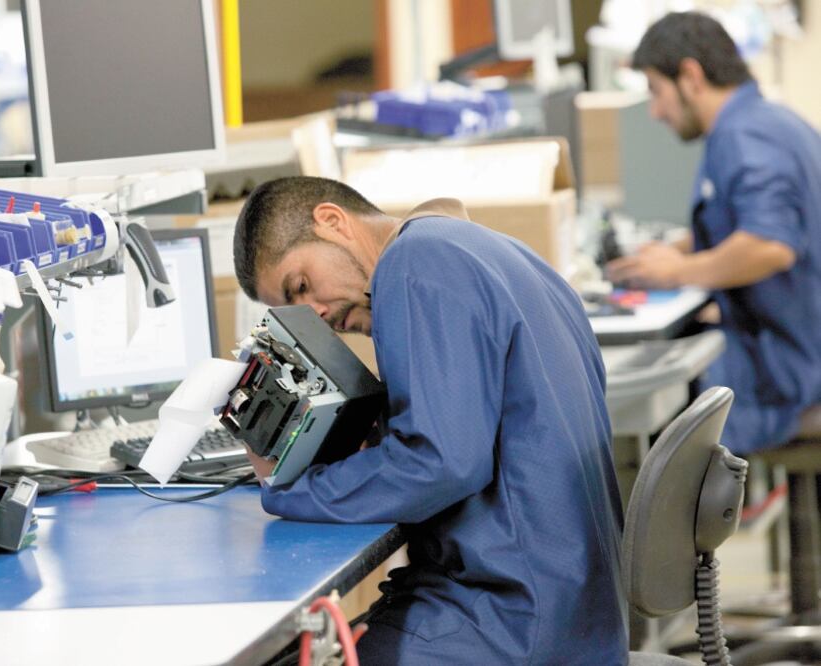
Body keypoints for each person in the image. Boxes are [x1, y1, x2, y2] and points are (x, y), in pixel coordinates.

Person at [232, 177, 627, 664]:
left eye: (301, 286)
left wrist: (288, 488)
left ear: (333, 222)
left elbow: (439, 463)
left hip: (509, 623)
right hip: (575, 617)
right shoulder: (498, 250)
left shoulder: (414, 264)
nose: (316, 315)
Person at [607, 11, 821, 455]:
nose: (655, 112)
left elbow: (771, 245)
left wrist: (677, 271)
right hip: (795, 344)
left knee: (653, 405)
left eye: (656, 91)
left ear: (690, 77)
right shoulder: (770, 122)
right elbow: (744, 219)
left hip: (791, 367)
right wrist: (678, 250)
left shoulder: (744, 136)